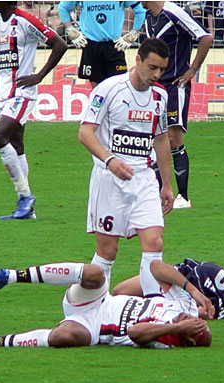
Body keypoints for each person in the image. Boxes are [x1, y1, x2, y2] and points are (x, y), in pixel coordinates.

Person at [78, 38, 174, 297]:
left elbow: (161, 138)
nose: (156, 75)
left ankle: (154, 308)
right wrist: (110, 160)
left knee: (154, 244)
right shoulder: (109, 89)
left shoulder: (160, 96)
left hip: (144, 179)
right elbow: (86, 132)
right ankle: (92, 308)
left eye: (162, 70)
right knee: (108, 252)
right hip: (108, 180)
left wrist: (167, 183)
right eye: (152, 67)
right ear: (138, 60)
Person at [0, 258, 214, 348]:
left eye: (194, 327)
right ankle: (7, 277)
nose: (192, 320)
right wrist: (191, 288)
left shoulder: (166, 339)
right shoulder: (177, 305)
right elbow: (156, 267)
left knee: (62, 337)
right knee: (94, 273)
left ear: (188, 338)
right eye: (197, 321)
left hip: (92, 325)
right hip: (99, 299)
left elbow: (135, 332)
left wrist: (176, 329)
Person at [0, 1, 67, 219]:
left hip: (22, 92)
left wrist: (39, 76)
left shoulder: (25, 20)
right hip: (2, 93)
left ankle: (25, 196)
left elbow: (59, 44)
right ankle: (27, 210)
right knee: (17, 145)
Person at [142, 1, 213, 209]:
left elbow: (205, 37)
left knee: (173, 139)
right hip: (155, 86)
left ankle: (183, 196)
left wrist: (192, 70)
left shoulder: (173, 13)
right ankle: (157, 193)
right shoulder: (149, 17)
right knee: (154, 137)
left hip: (175, 85)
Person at [113, 258, 224, 319]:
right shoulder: (188, 288)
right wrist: (193, 290)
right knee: (121, 292)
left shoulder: (189, 309)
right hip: (191, 283)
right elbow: (156, 266)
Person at [59, 1, 146, 88]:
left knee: (117, 86)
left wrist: (134, 32)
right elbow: (63, 8)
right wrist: (70, 28)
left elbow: (141, 11)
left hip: (114, 46)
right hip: (92, 46)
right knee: (97, 89)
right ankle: (96, 102)